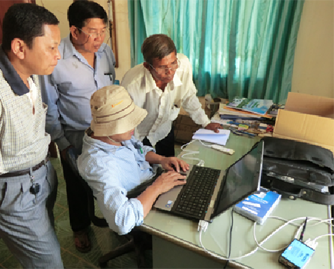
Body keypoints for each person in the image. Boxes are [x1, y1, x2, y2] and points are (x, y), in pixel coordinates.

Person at [0, 3, 63, 269]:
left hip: (40, 175)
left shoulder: (27, 71)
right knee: (50, 262)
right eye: (51, 47)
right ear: (19, 47)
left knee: (45, 245)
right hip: (11, 192)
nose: (58, 55)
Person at [39, 0, 116, 253]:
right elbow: (48, 105)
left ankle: (112, 220)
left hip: (107, 134)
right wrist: (62, 143)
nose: (100, 37)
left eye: (104, 30)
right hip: (75, 136)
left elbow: (111, 89)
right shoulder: (55, 58)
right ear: (75, 31)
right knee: (77, 186)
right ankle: (80, 228)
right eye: (94, 32)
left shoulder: (105, 52)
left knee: (107, 178)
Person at [77, 85, 188, 235]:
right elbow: (122, 222)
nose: (134, 125)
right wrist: (157, 187)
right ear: (109, 127)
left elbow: (139, 151)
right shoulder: (98, 164)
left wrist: (162, 159)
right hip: (144, 201)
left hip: (153, 184)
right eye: (127, 123)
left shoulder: (116, 137)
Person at [121, 34, 221, 157]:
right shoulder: (132, 86)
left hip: (164, 127)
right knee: (145, 170)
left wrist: (205, 122)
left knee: (169, 164)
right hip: (139, 133)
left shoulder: (182, 65)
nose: (170, 72)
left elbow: (188, 96)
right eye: (162, 67)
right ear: (147, 66)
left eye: (173, 63)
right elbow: (126, 124)